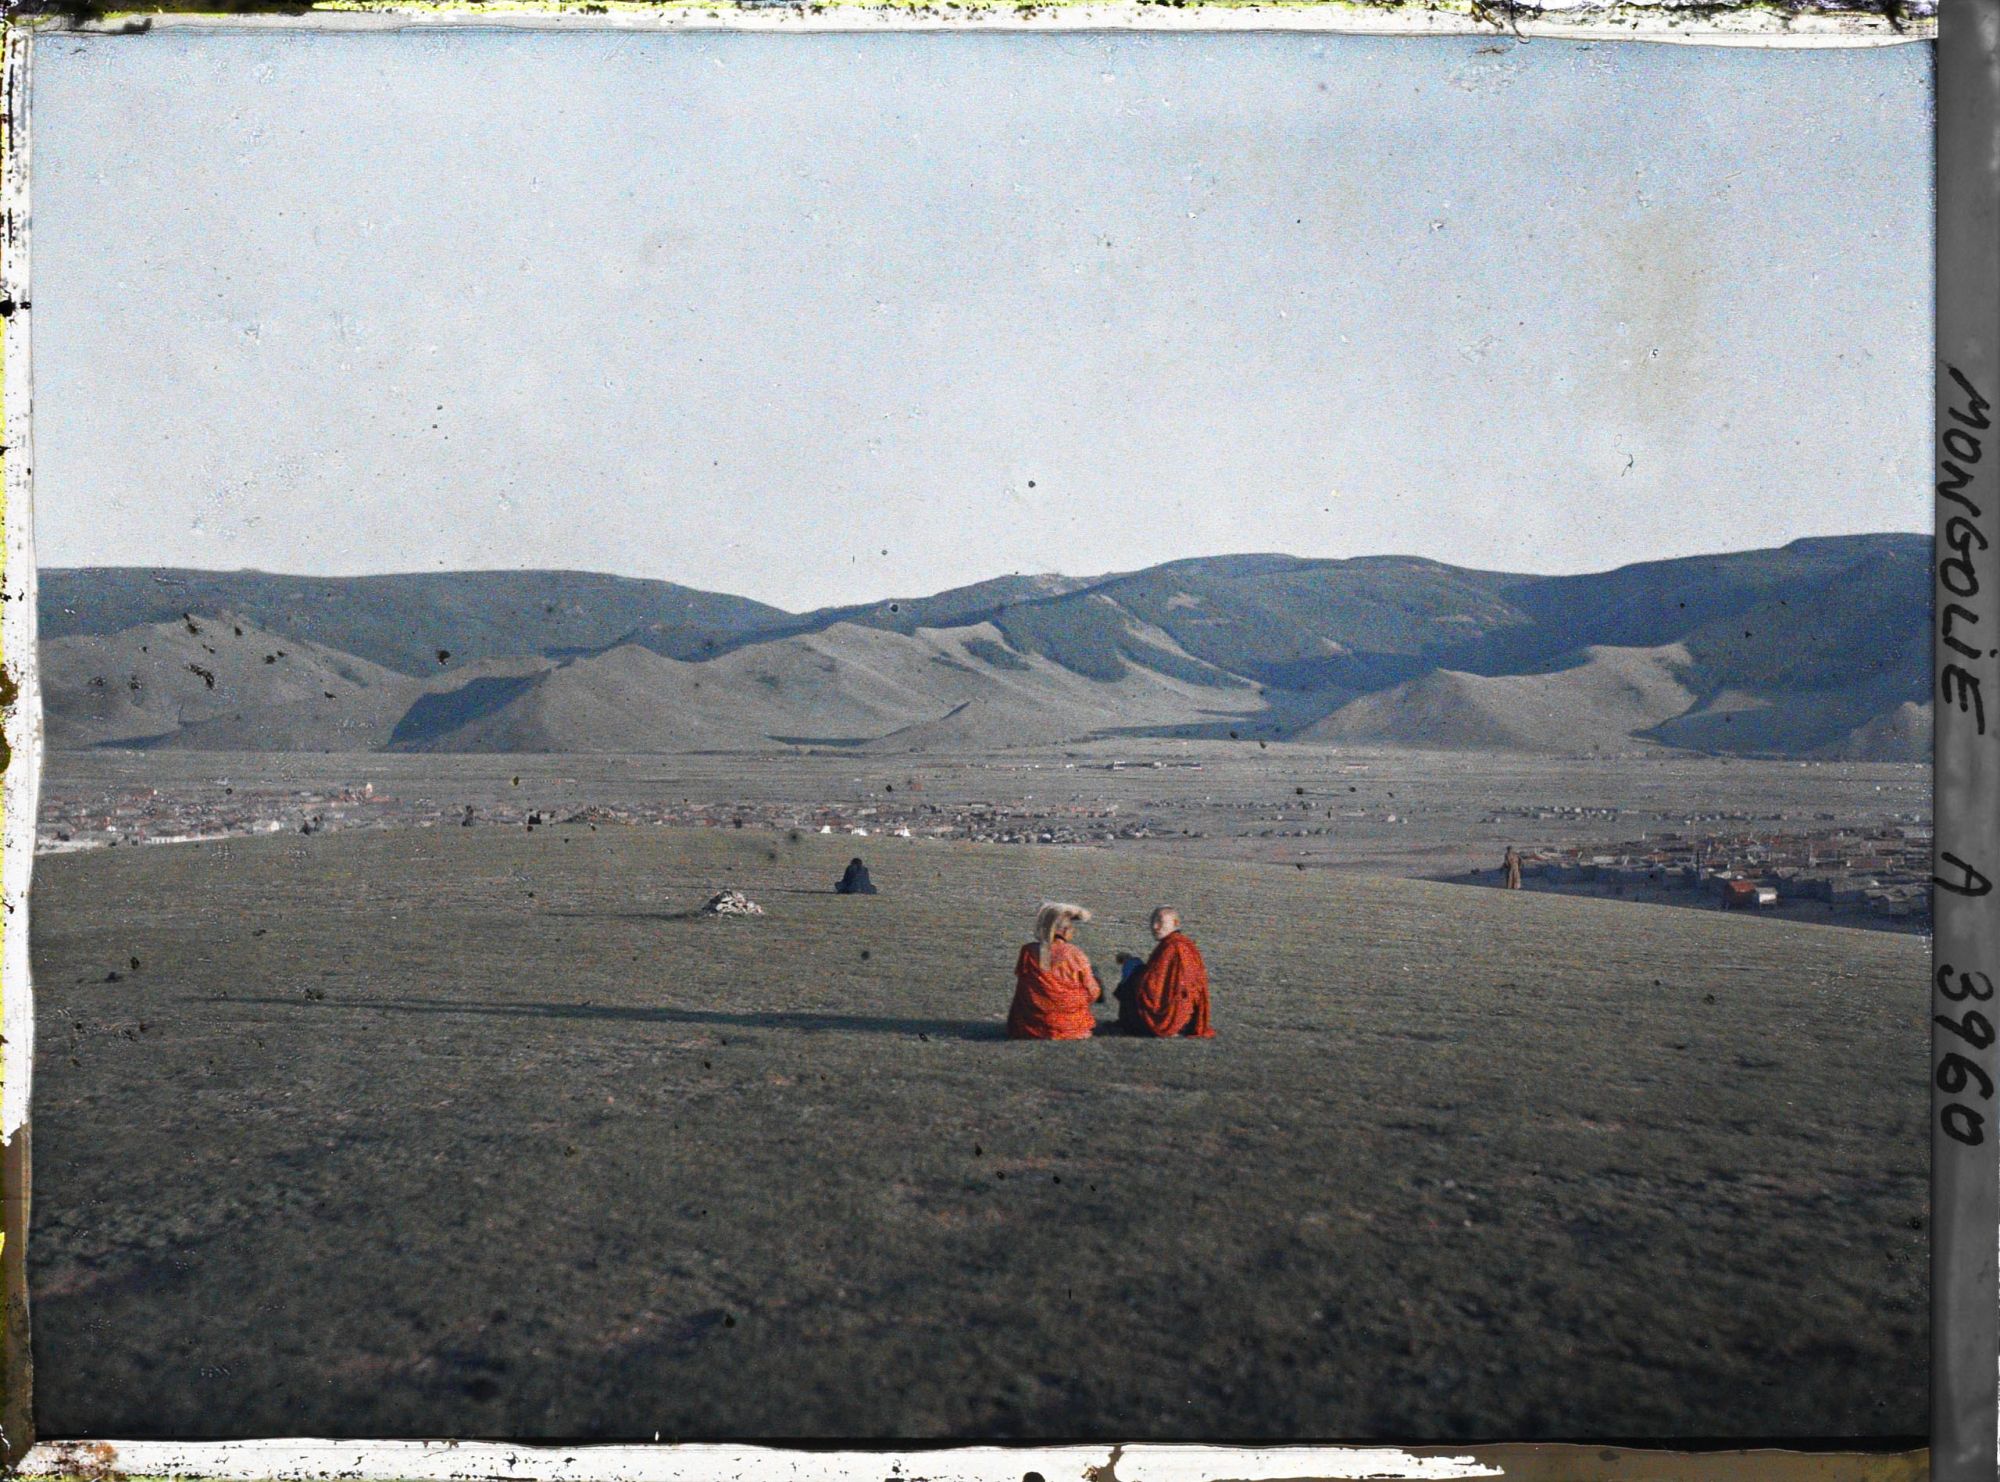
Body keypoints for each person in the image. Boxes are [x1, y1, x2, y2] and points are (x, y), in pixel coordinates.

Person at [1006, 901, 1102, 1040]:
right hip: (1069, 1027)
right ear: (1063, 931)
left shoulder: (1028, 951)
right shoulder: (1074, 954)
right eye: (1071, 928)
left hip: (1028, 1027)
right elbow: (1093, 992)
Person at [1113, 906, 1213, 1038]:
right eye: (1152, 922)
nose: (1154, 926)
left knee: (1132, 967)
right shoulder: (1180, 944)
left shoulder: (1173, 947)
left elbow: (1153, 987)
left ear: (1175, 923)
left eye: (1160, 922)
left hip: (1169, 1015)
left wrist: (1132, 968)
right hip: (1184, 1015)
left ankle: (1131, 1022)